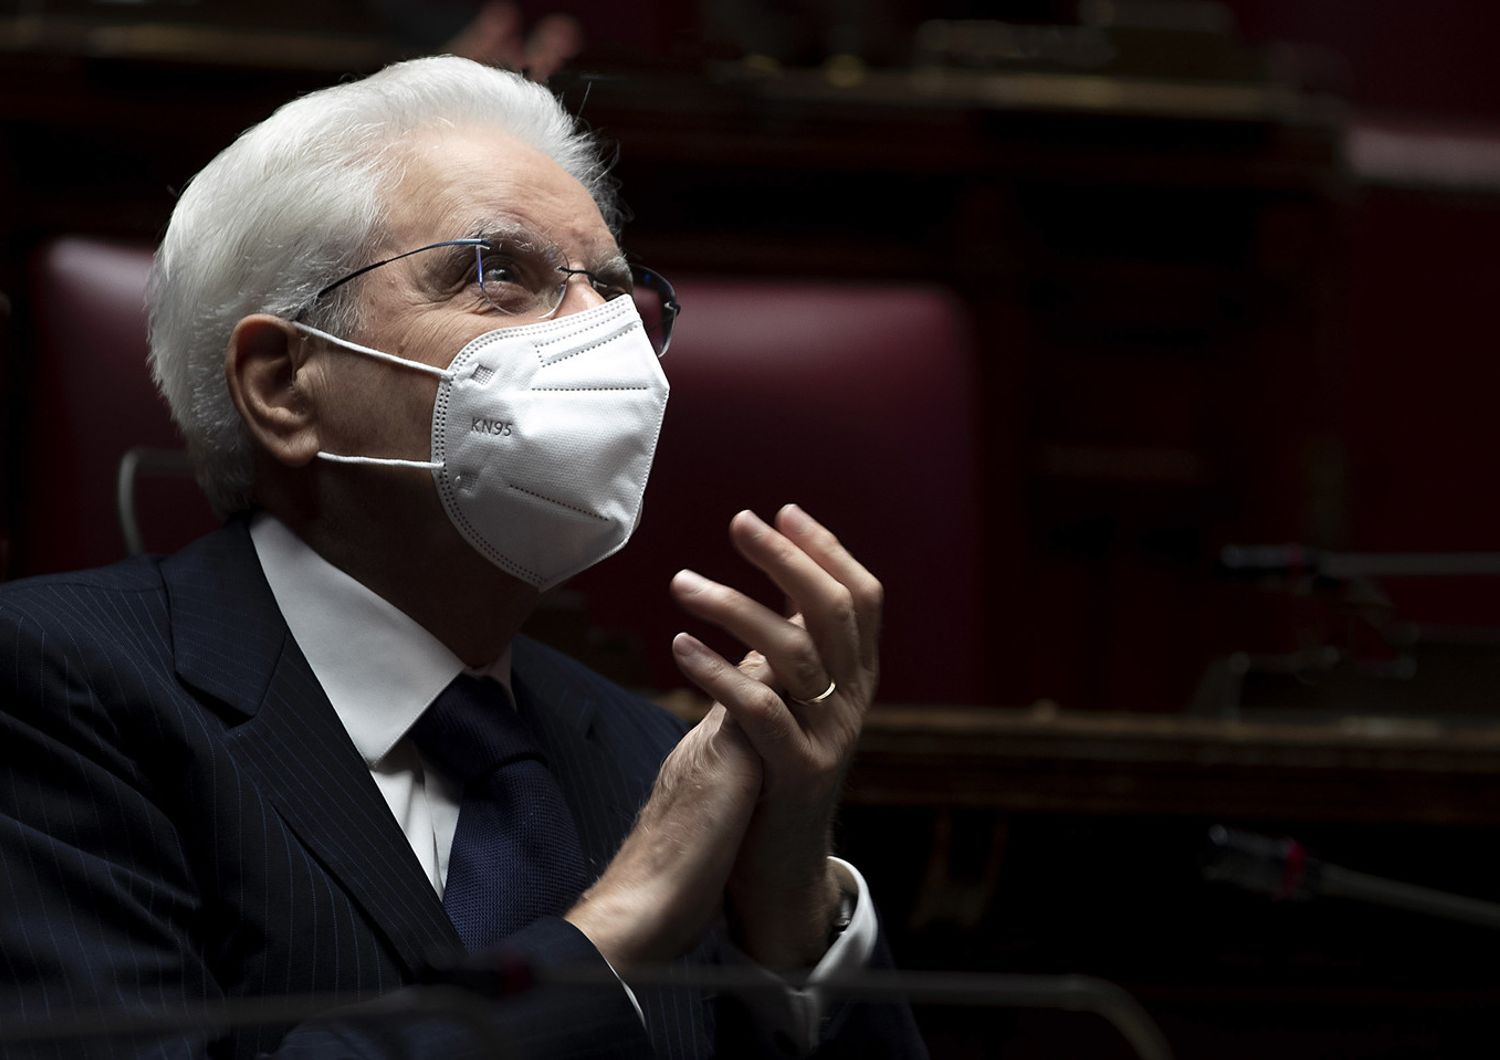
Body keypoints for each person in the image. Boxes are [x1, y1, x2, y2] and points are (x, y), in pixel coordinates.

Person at [0, 56, 926, 1058]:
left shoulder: (658, 759)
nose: (602, 340)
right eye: (499, 273)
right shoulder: (56, 688)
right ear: (282, 382)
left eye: (617, 292)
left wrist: (794, 914)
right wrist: (616, 926)